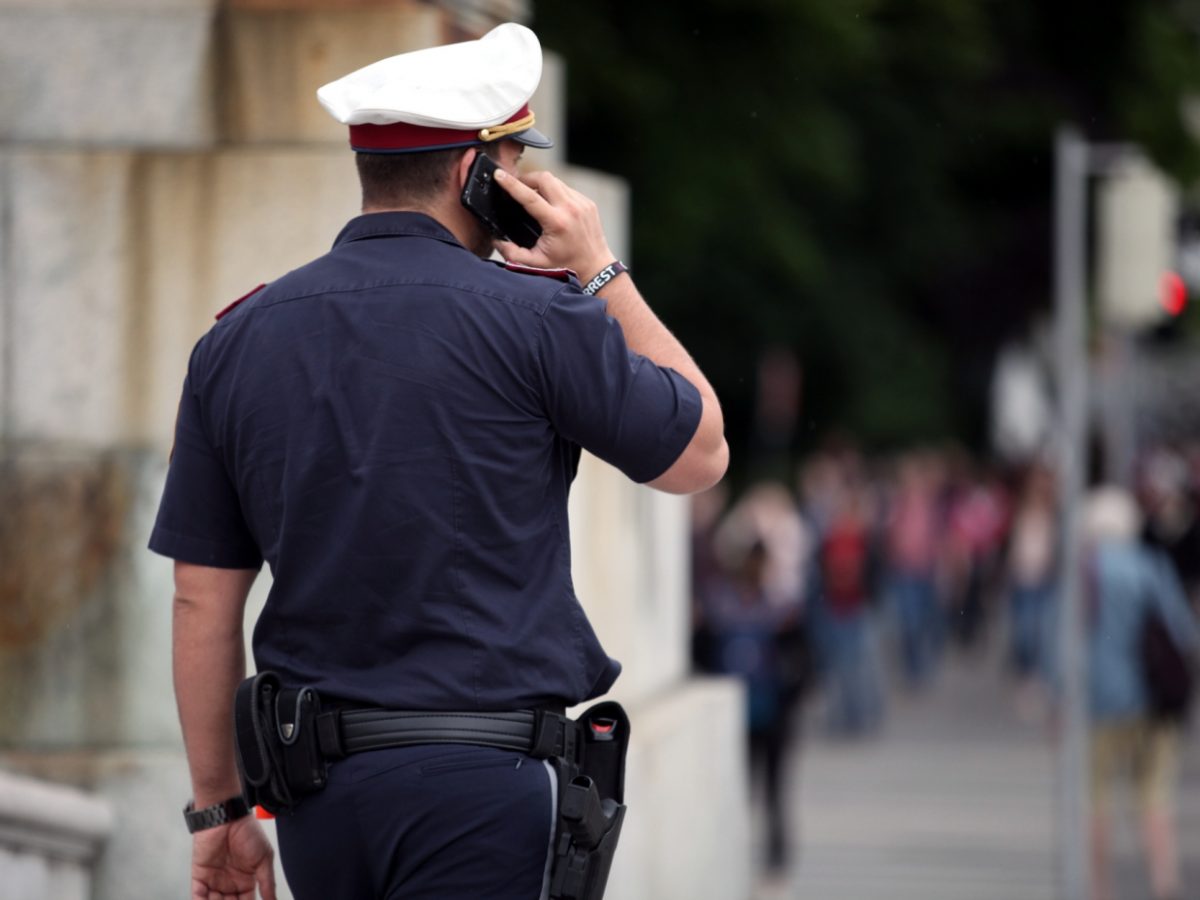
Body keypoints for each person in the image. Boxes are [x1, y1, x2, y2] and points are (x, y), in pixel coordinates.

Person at [150, 23, 727, 900]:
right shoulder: (541, 320)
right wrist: (603, 272)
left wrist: (218, 811)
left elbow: (202, 596)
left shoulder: (236, 340)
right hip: (486, 790)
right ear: (476, 176)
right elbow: (700, 454)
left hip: (320, 800)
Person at [1082, 487, 1198, 900]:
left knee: (1096, 800)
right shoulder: (1150, 565)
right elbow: (1182, 629)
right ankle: (1163, 878)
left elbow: (1057, 642)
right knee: (1154, 795)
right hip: (1151, 697)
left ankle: (1099, 888)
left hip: (1095, 700)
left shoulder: (1084, 571)